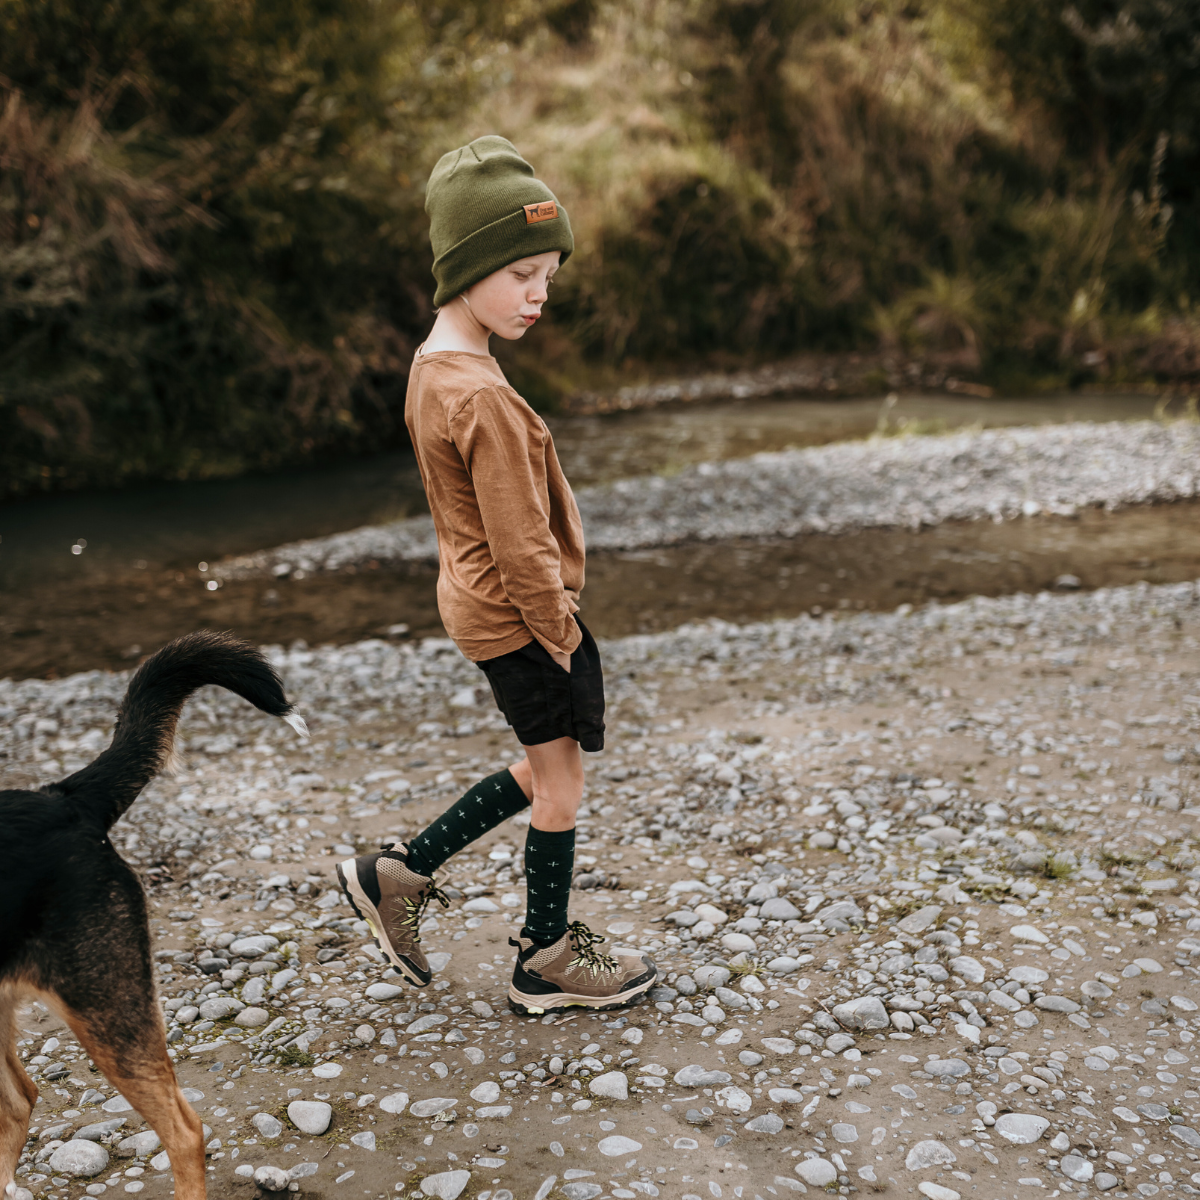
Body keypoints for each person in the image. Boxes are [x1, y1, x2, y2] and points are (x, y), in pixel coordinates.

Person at [337, 135, 657, 1015]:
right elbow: (520, 545)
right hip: (516, 612)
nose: (539, 294)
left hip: (475, 603)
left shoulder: (435, 366)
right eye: (522, 273)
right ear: (466, 268)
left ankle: (399, 874)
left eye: (548, 275)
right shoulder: (478, 394)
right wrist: (562, 634)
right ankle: (545, 958)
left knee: (539, 764)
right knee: (561, 784)